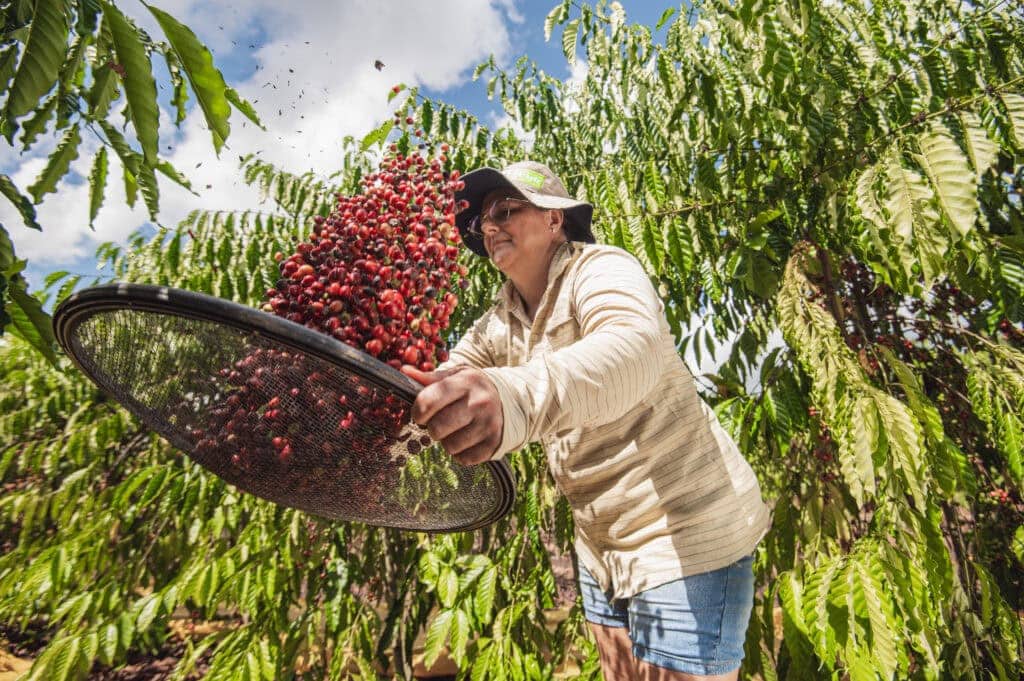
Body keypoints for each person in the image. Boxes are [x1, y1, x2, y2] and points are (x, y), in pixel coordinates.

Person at [401, 161, 770, 681]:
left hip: (683, 534)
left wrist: (513, 399)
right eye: (482, 220)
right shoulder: (499, 320)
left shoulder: (600, 269)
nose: (488, 226)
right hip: (600, 545)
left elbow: (632, 348)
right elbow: (449, 377)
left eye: (506, 210)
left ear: (556, 219)